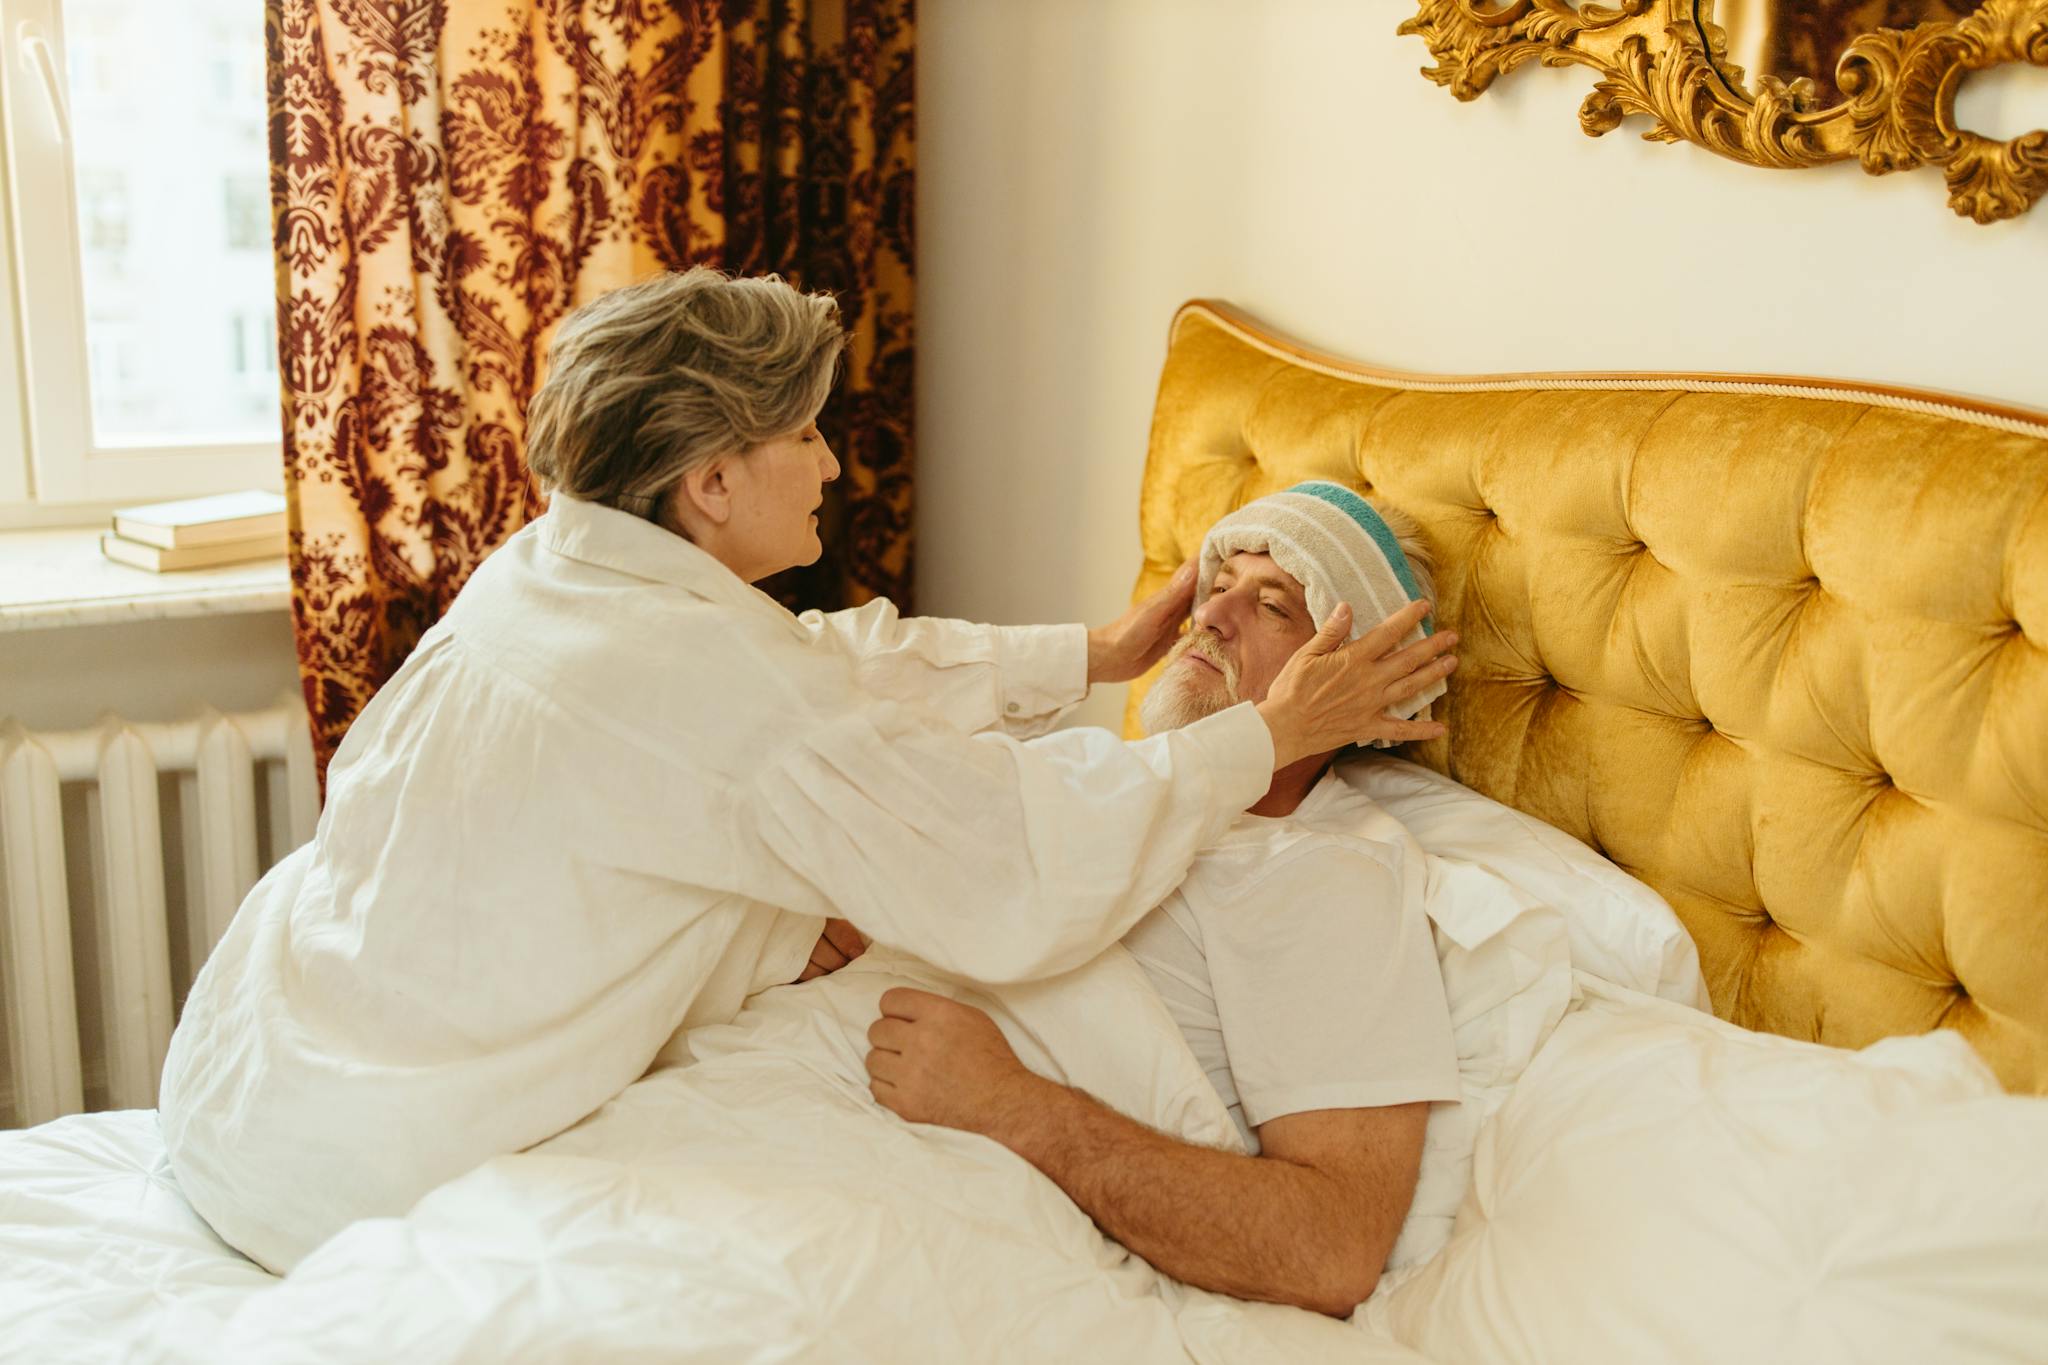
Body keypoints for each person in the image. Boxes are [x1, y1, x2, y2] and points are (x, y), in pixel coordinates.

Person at [157, 272, 1460, 1273]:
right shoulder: (727, 688)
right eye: (808, 437)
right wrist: (1258, 738)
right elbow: (1002, 859)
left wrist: (1106, 653)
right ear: (714, 480)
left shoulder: (560, 572)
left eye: (1269, 599)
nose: (837, 462)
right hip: (348, 1157)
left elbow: (824, 670)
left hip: (248, 1068)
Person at [863, 483, 1461, 1318]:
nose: (1211, 616)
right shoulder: (1104, 778)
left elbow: (1331, 1246)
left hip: (941, 1201)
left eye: (1273, 605)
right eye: (1218, 587)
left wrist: (1009, 1105)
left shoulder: (1326, 873)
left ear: (1352, 681)